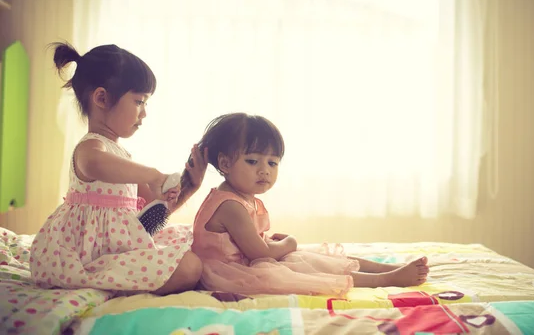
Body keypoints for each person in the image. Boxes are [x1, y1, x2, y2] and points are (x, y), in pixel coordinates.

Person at [30, 42, 206, 295]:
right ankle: (112, 283)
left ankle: (122, 280)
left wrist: (190, 187)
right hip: (85, 258)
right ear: (101, 98)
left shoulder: (120, 156)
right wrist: (154, 175)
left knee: (192, 247)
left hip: (115, 251)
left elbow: (152, 217)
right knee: (189, 267)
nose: (144, 113)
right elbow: (94, 164)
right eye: (139, 101)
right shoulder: (91, 148)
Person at [190, 113, 429, 296]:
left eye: (272, 163)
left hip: (246, 261)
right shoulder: (230, 205)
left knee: (313, 256)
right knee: (302, 266)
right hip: (229, 273)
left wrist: (277, 245)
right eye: (253, 161)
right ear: (225, 162)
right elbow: (259, 253)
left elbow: (253, 244)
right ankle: (384, 280)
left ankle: (383, 268)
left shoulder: (242, 197)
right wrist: (289, 242)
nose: (264, 170)